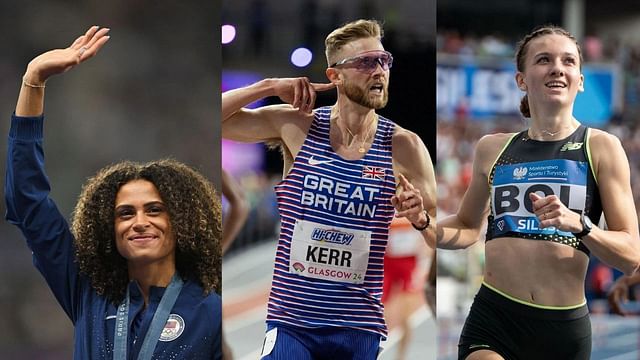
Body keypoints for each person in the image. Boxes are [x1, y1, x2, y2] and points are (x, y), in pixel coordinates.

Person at [222, 19, 436, 359]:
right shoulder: (297, 125)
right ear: (335, 75)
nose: (379, 71)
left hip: (358, 327)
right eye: (366, 62)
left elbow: (442, 234)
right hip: (291, 322)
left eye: (384, 60)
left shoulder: (404, 145)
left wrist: (421, 218)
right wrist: (267, 86)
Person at [5, 26, 222, 359]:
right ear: (109, 228)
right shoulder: (87, 290)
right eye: (125, 213)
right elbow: (26, 201)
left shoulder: (212, 311)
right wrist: (33, 81)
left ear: (181, 221)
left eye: (154, 210)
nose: (138, 222)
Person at [437, 25, 640, 360]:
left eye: (568, 61)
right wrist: (425, 226)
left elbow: (631, 255)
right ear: (521, 80)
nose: (557, 67)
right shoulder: (493, 148)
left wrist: (580, 224)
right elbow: (466, 225)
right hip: (494, 316)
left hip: (562, 328)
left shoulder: (602, 147)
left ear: (581, 80)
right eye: (544, 59)